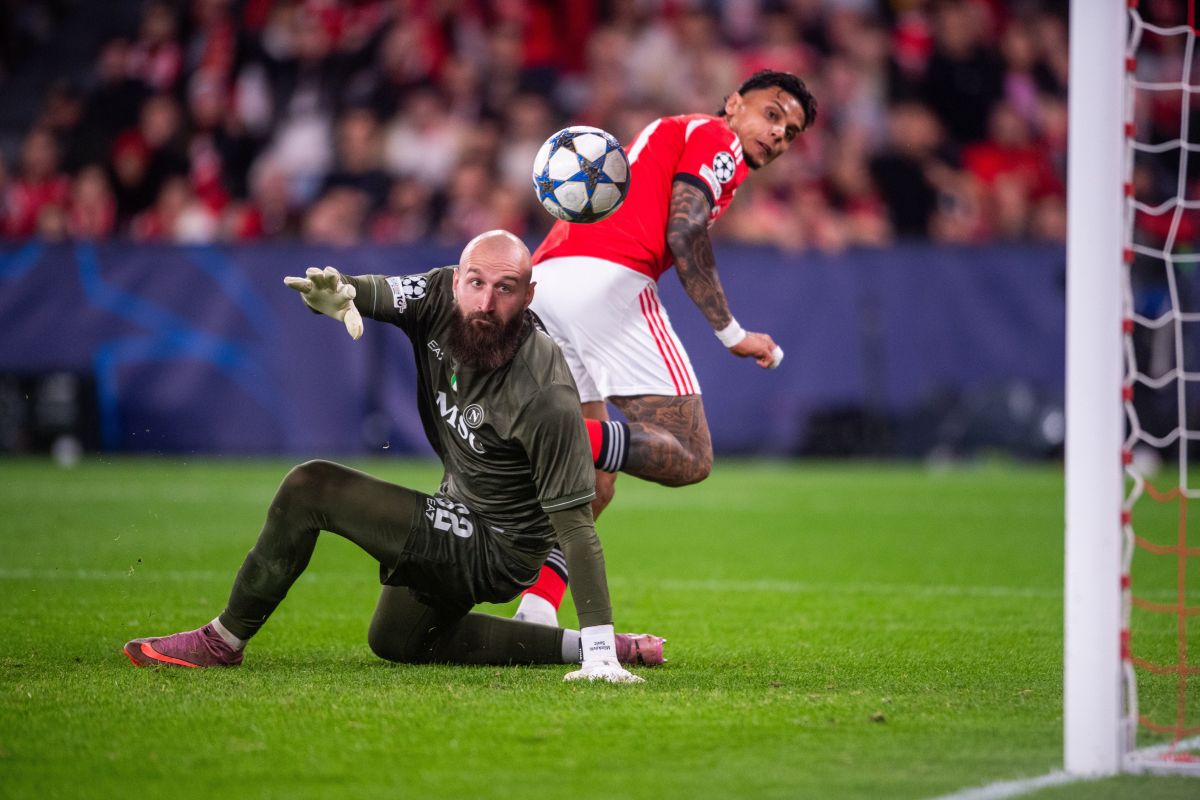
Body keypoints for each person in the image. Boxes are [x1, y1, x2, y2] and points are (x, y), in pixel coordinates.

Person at [123, 230, 662, 683]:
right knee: (397, 639)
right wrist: (340, 294)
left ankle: (222, 641)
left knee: (312, 487)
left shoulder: (544, 388)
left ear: (529, 295)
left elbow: (575, 528)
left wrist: (601, 658)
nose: (485, 302)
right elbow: (371, 291)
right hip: (459, 506)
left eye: (505, 288)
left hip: (502, 547)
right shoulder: (436, 295)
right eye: (476, 283)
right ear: (457, 279)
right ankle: (582, 646)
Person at [512, 70, 817, 626]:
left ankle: (536, 609)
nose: (779, 135)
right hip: (608, 278)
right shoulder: (716, 137)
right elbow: (684, 231)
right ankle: (543, 435)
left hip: (547, 279)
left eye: (790, 133)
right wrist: (733, 334)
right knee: (689, 453)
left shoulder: (676, 133)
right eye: (772, 115)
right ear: (733, 104)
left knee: (596, 480)